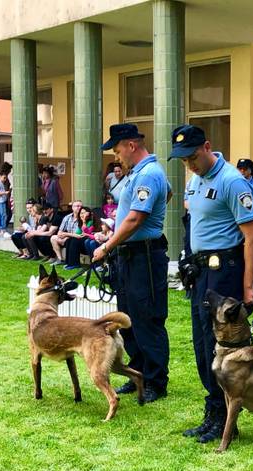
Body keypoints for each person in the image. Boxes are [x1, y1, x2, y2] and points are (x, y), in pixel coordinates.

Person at [169, 123, 253, 442]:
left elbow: (252, 237)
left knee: (223, 345)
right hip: (201, 272)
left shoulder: (232, 182)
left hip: (225, 271)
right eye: (184, 160)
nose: (190, 165)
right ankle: (214, 408)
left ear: (208, 146)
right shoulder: (195, 181)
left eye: (193, 157)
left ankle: (226, 418)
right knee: (202, 342)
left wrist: (249, 287)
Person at [92, 123, 171, 405]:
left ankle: (155, 381)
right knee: (128, 318)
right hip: (129, 255)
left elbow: (136, 218)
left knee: (147, 318)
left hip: (144, 256)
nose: (117, 156)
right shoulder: (139, 174)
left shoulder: (149, 173)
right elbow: (168, 194)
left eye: (117, 150)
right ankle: (138, 373)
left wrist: (107, 245)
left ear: (131, 145)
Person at [49, 200, 82, 265]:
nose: (79, 208)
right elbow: (59, 232)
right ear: (72, 207)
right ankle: (60, 259)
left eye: (81, 206)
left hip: (76, 239)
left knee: (70, 239)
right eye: (77, 206)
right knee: (53, 238)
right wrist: (65, 235)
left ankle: (71, 262)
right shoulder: (67, 217)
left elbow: (78, 234)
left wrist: (66, 235)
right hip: (67, 238)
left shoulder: (82, 218)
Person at [0, 172, 11, 238]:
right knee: (4, 215)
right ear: (0, 177)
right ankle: (3, 230)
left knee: (0, 215)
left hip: (1, 201)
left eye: (5, 178)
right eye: (4, 178)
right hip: (0, 202)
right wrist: (5, 192)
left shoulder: (0, 183)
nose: (5, 179)